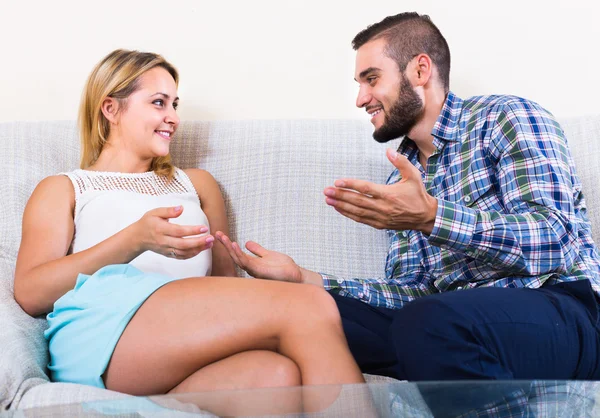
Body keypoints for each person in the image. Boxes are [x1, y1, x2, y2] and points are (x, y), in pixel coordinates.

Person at [216, 12, 600, 381]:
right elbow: (412, 293)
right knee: (303, 315)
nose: (360, 98)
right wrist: (305, 279)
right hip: (448, 323)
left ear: (420, 70)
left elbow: (554, 241)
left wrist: (432, 216)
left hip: (562, 307)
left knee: (430, 323)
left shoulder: (507, 117)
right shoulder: (401, 180)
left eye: (371, 79)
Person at [13, 49, 365, 399]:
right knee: (308, 304)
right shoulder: (66, 187)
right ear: (111, 109)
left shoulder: (197, 184)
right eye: (158, 103)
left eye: (175, 105)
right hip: (104, 334)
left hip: (180, 346)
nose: (173, 118)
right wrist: (133, 240)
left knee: (274, 377)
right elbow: (31, 293)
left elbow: (223, 286)